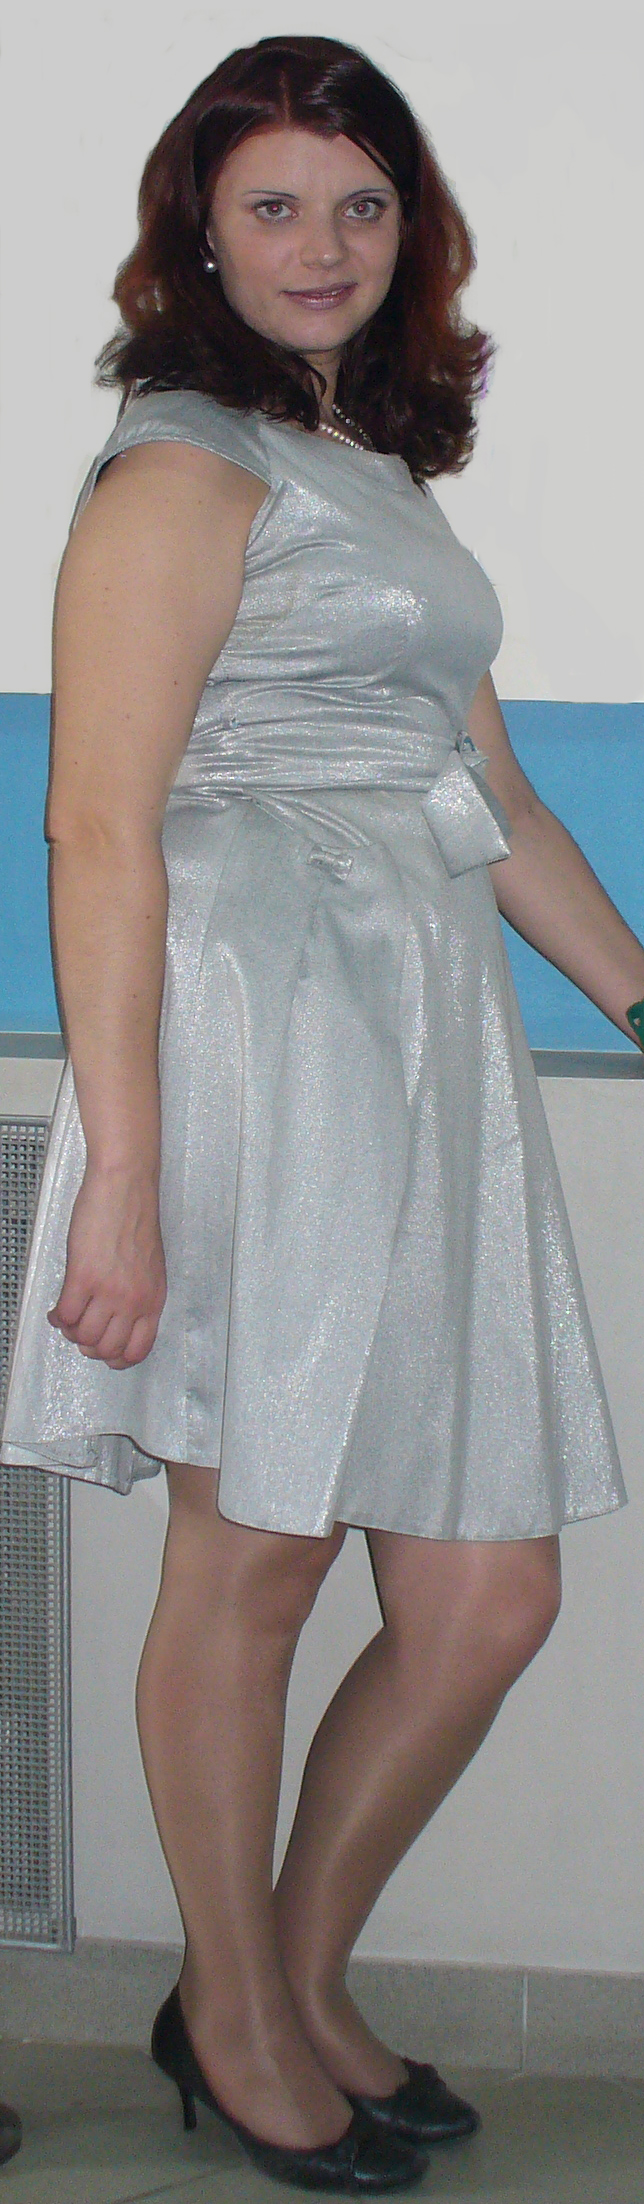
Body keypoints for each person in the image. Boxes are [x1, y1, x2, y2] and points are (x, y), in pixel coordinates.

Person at [1, 32, 642, 2196]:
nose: (322, 244)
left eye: (360, 205)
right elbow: (98, 828)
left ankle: (275, 1972)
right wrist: (126, 1178)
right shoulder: (178, 471)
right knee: (255, 1551)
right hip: (249, 1042)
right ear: (198, 230)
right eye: (273, 204)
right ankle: (243, 2017)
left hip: (413, 1038)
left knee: (483, 1600)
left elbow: (494, 795)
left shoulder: (365, 460)